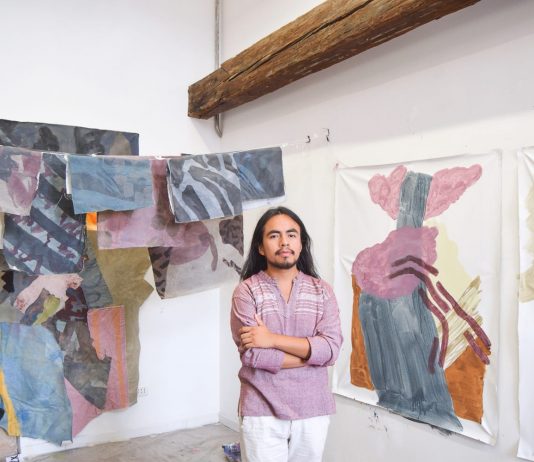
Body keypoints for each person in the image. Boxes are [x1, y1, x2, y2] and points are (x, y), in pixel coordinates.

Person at [230, 206, 343, 462]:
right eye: (274, 235)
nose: (284, 242)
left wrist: (272, 339)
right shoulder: (246, 292)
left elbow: (331, 350)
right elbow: (254, 356)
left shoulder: (322, 291)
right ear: (261, 247)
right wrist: (312, 356)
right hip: (261, 409)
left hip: (313, 408)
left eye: (291, 235)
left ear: (301, 243)